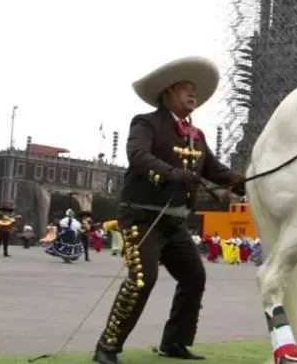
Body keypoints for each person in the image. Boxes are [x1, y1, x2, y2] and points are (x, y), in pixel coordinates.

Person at [93, 56, 244, 364]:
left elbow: (216, 171)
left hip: (174, 223)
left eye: (194, 90)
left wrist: (252, 182)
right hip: (142, 217)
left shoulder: (196, 136)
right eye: (186, 88)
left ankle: (175, 343)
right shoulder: (146, 123)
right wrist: (171, 173)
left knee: (194, 277)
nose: (193, 94)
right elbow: (137, 155)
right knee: (141, 278)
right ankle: (107, 347)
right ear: (168, 93)